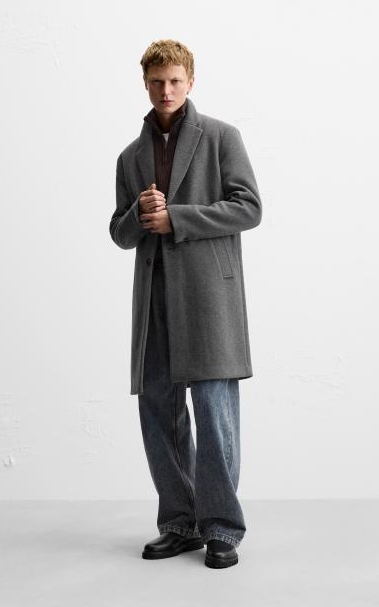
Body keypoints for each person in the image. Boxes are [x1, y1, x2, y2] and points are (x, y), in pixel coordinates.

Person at [109, 39, 262, 569]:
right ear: (145, 84)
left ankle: (221, 528)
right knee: (159, 409)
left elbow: (249, 207)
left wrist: (178, 217)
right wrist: (139, 213)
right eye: (157, 82)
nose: (166, 90)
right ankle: (179, 523)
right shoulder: (130, 156)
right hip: (154, 297)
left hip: (207, 296)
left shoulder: (221, 137)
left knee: (214, 412)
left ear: (190, 81)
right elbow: (120, 234)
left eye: (175, 80)